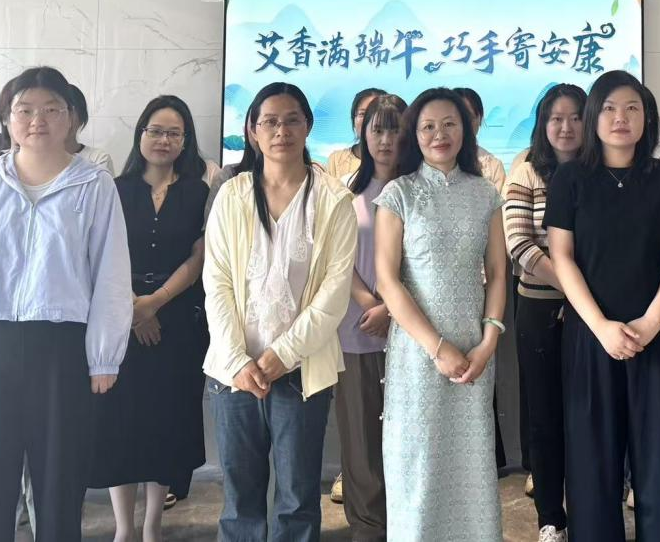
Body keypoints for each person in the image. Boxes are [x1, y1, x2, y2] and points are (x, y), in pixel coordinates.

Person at [0, 66, 133, 542]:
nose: (38, 120)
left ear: (71, 117)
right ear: (5, 119)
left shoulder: (94, 185)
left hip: (61, 348)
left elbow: (112, 275)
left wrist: (104, 356)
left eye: (52, 109)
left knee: (59, 484)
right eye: (25, 110)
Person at [544, 70, 660, 542]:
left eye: (632, 108)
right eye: (610, 108)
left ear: (647, 118)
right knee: (592, 464)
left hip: (657, 335)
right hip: (591, 339)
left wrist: (650, 323)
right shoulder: (570, 179)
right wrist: (601, 327)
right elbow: (562, 258)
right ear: (594, 116)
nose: (621, 118)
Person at [204, 82, 357, 542]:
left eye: (292, 120)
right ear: (253, 130)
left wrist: (281, 355)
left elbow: (334, 292)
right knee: (240, 501)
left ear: (307, 126)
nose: (281, 131)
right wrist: (240, 359)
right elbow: (217, 281)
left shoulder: (333, 199)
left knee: (296, 500)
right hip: (235, 372)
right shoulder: (232, 195)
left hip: (300, 372)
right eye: (269, 121)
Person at [374, 87, 507, 542]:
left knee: (471, 464)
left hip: (474, 352)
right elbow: (388, 281)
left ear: (465, 130)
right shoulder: (399, 193)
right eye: (428, 126)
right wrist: (436, 347)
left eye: (450, 124)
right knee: (419, 463)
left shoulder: (485, 194)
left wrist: (488, 341)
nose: (439, 134)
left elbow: (497, 272)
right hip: (418, 354)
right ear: (414, 134)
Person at [90, 96, 209, 542]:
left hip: (177, 320)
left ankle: (153, 524)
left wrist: (154, 302)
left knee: (166, 421)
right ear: (140, 134)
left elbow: (199, 257)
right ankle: (124, 528)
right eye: (156, 131)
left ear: (185, 141)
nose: (164, 140)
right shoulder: (113, 189)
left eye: (174, 133)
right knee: (121, 422)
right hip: (119, 317)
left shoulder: (198, 192)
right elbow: (100, 253)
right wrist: (134, 309)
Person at [502, 84, 586, 542]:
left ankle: (592, 511)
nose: (566, 127)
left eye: (575, 117)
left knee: (591, 413)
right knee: (545, 415)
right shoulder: (527, 172)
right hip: (540, 309)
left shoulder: (600, 171)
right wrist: (573, 288)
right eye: (556, 118)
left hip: (595, 314)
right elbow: (518, 244)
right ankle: (551, 518)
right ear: (543, 124)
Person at [335, 93, 406, 542]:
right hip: (357, 327)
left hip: (410, 329)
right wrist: (370, 304)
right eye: (377, 129)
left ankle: (406, 524)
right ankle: (367, 527)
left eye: (394, 129)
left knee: (406, 435)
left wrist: (393, 308)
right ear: (363, 135)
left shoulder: (419, 187)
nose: (385, 140)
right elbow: (335, 258)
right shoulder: (345, 191)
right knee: (360, 437)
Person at [455, 87, 507, 192]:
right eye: (457, 119)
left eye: (469, 118)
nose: (464, 125)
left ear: (480, 118)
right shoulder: (429, 161)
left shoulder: (493, 167)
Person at [326, 88, 385, 180]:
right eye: (362, 114)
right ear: (353, 120)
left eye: (376, 113)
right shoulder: (337, 160)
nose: (369, 120)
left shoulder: (395, 159)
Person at [65, 83, 116, 174]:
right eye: (53, 111)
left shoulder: (98, 159)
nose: (64, 120)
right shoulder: (39, 160)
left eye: (70, 111)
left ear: (81, 118)